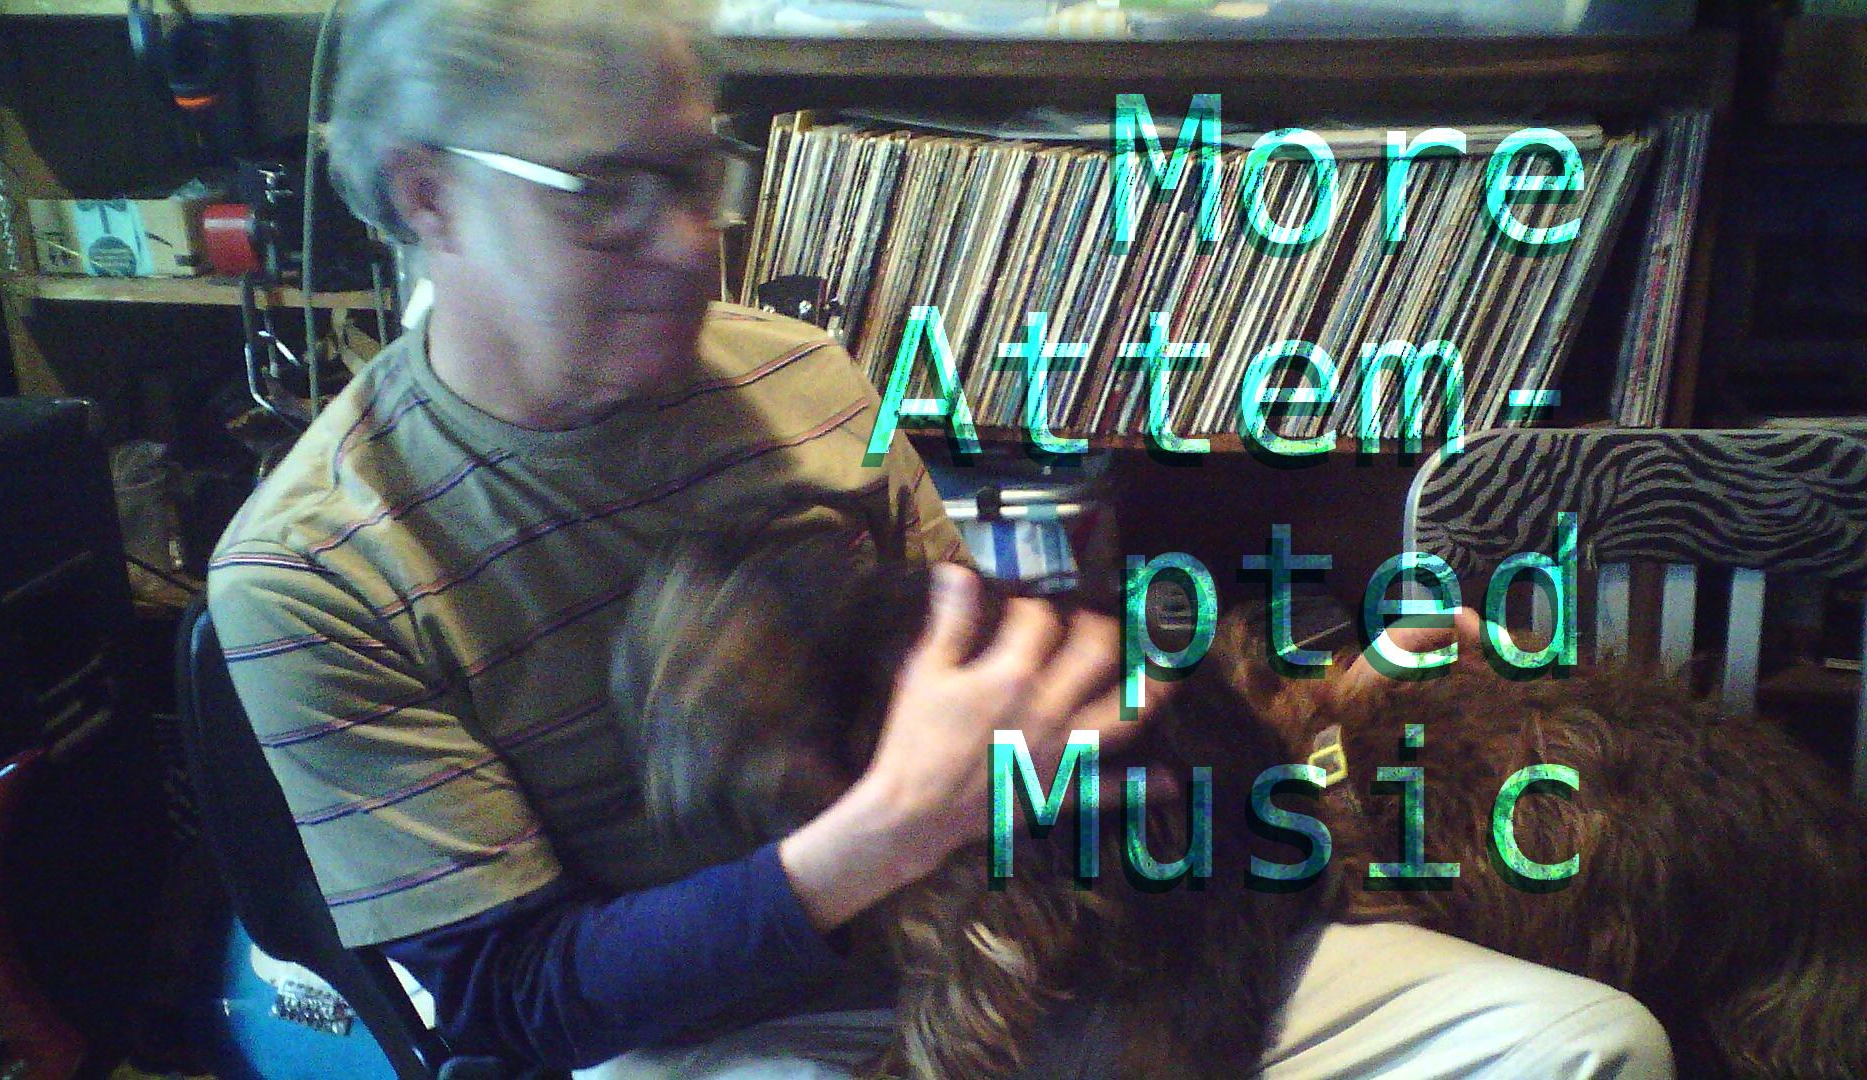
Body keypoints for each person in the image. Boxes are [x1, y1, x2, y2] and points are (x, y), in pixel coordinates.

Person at [206, 1, 1676, 1075]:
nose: (689, 240)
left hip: (1009, 939)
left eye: (699, 174)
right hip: (703, 1026)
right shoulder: (315, 572)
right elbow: (513, 1007)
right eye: (607, 193)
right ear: (429, 196)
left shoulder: (801, 373)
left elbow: (997, 710)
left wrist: (1316, 719)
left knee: (1584, 1046)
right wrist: (889, 834)